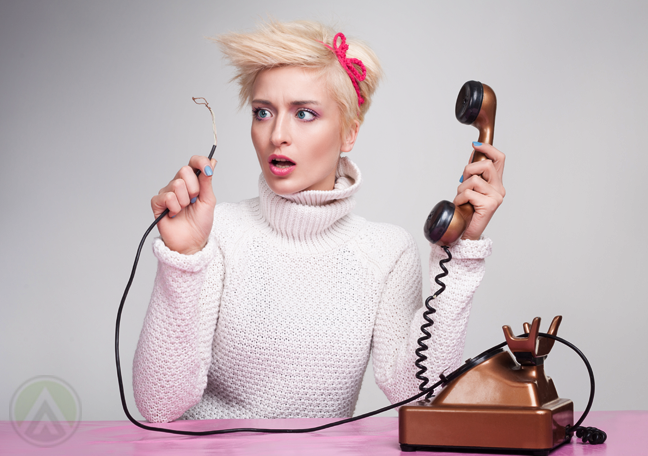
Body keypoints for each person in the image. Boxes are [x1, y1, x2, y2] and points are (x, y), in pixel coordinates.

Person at [133, 20, 506, 423]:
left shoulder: (386, 251)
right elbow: (157, 406)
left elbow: (417, 395)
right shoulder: (215, 232)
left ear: (349, 133)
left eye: (305, 113)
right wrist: (183, 259)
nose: (278, 134)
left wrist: (462, 251)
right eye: (263, 112)